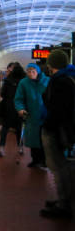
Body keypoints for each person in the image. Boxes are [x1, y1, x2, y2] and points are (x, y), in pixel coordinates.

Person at [39, 50, 75, 218]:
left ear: (51, 65)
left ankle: (64, 205)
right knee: (65, 165)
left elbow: (57, 109)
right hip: (67, 129)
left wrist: (47, 126)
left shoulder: (60, 81)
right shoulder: (70, 77)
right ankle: (65, 200)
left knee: (59, 167)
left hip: (57, 130)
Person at [14, 64, 49, 168]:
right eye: (28, 71)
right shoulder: (23, 83)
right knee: (33, 140)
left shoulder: (47, 81)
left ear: (38, 71)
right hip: (31, 116)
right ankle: (35, 160)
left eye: (33, 71)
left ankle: (44, 160)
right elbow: (19, 98)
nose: (30, 73)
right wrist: (20, 108)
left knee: (45, 139)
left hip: (46, 116)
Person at [0, 63, 26, 157]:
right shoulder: (24, 82)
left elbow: (3, 95)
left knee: (5, 128)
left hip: (8, 107)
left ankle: (1, 147)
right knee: (19, 128)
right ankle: (20, 147)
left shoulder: (8, 81)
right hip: (19, 108)